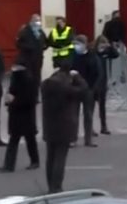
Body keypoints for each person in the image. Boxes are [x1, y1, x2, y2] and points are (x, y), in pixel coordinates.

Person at [41, 63, 87, 194]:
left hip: (49, 125)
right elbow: (83, 89)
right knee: (60, 158)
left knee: (50, 157)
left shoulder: (45, 85)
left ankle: (50, 185)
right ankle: (56, 186)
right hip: (65, 126)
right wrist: (77, 77)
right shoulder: (67, 88)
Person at [0, 62, 39, 173]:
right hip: (16, 116)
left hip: (25, 116)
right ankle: (9, 165)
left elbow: (29, 100)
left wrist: (13, 102)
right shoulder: (16, 80)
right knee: (15, 140)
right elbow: (11, 92)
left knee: (29, 140)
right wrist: (8, 101)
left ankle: (34, 161)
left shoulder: (28, 82)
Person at [71, 35, 101, 147]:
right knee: (74, 115)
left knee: (88, 115)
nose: (76, 46)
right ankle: (73, 139)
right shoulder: (73, 56)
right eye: (75, 44)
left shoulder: (92, 57)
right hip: (75, 89)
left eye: (78, 44)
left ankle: (88, 139)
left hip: (88, 89)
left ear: (84, 44)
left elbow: (98, 73)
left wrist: (92, 88)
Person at [16, 14, 48, 99]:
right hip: (27, 59)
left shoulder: (40, 32)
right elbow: (18, 44)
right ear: (32, 21)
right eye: (36, 20)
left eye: (39, 20)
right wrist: (28, 47)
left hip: (38, 59)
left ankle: (35, 96)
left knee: (37, 78)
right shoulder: (25, 31)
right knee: (28, 78)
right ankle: (27, 95)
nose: (38, 22)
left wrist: (44, 47)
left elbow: (45, 42)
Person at [93, 35, 119, 135]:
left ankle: (104, 126)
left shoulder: (106, 52)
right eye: (101, 45)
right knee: (90, 107)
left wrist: (110, 47)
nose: (102, 47)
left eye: (104, 45)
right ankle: (90, 128)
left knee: (102, 106)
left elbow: (116, 55)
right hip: (93, 82)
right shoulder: (93, 52)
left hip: (103, 82)